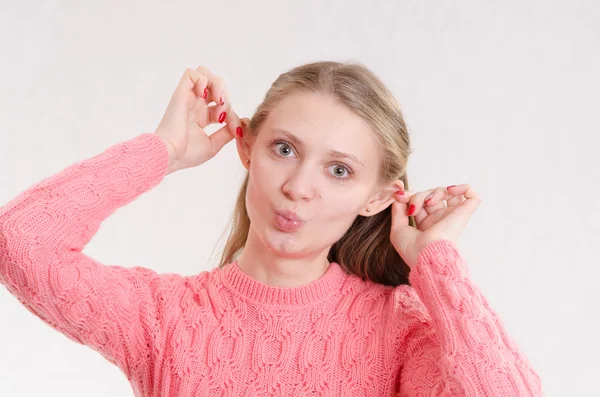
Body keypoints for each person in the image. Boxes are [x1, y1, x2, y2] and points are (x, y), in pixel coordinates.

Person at [0, 62, 543, 396]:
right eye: (284, 150)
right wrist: (162, 151)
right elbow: (21, 242)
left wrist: (437, 261)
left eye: (339, 170)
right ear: (246, 148)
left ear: (379, 197)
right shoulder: (164, 319)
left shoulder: (395, 330)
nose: (299, 187)